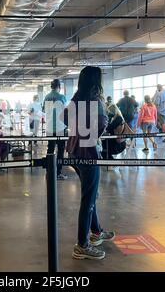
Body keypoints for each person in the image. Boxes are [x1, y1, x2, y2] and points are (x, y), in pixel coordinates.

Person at [65, 66, 114, 261]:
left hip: (74, 151)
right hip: (89, 153)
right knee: (88, 199)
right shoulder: (95, 100)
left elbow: (64, 119)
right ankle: (82, 245)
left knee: (90, 195)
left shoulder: (75, 99)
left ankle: (96, 232)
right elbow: (102, 123)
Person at [43, 79, 68, 180]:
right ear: (59, 86)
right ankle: (58, 172)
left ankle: (49, 170)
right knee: (60, 150)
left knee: (50, 148)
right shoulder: (62, 97)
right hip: (60, 127)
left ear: (51, 86)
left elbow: (44, 110)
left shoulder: (46, 97)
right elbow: (65, 111)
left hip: (49, 127)